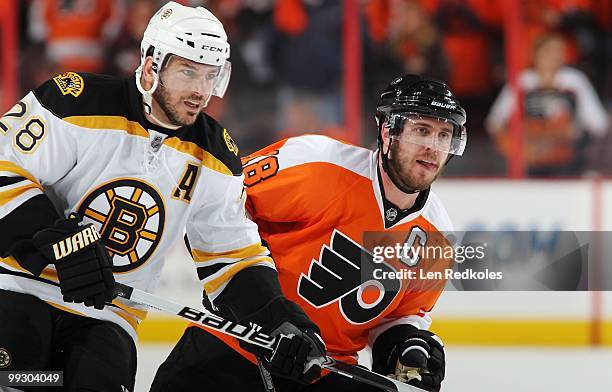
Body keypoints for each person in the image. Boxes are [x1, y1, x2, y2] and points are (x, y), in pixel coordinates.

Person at [0, 2, 323, 391]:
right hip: (18, 286)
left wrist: (277, 319)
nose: (200, 90)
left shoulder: (216, 157)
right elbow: (5, 169)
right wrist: (59, 241)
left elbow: (234, 257)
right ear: (152, 67)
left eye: (210, 75)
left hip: (109, 314)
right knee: (19, 381)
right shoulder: (75, 102)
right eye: (188, 71)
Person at [152, 74, 467, 392]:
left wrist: (407, 346)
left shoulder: (438, 237)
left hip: (327, 373)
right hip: (234, 346)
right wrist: (263, 309)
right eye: (421, 130)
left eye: (444, 135)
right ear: (388, 132)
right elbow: (216, 206)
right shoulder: (317, 164)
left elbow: (398, 317)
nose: (432, 146)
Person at [486, 33, 608, 176]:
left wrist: (574, 130)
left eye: (559, 51)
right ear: (536, 54)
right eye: (549, 51)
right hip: (529, 158)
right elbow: (494, 123)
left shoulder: (574, 81)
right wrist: (518, 141)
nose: (554, 57)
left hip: (566, 159)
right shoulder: (522, 82)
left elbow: (598, 124)